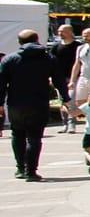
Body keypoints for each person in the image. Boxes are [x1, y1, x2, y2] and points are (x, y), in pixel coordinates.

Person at [0, 31, 61, 180]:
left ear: (19, 42)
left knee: (17, 134)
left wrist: (0, 103)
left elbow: (1, 84)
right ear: (37, 40)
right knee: (34, 137)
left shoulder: (9, 59)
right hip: (39, 103)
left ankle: (20, 168)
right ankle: (31, 171)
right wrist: (65, 98)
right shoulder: (48, 58)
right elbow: (58, 80)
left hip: (16, 103)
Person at [67, 27, 90, 134]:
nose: (84, 37)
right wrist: (72, 80)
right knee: (80, 101)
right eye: (83, 35)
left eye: (87, 35)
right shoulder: (80, 48)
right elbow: (77, 64)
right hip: (83, 77)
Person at [48, 24, 79, 130]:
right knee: (63, 101)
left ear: (70, 32)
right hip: (59, 78)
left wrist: (74, 78)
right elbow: (51, 63)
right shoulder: (56, 47)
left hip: (74, 77)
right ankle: (65, 123)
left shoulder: (77, 46)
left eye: (62, 31)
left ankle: (72, 124)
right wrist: (51, 77)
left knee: (71, 100)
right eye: (59, 31)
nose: (60, 33)